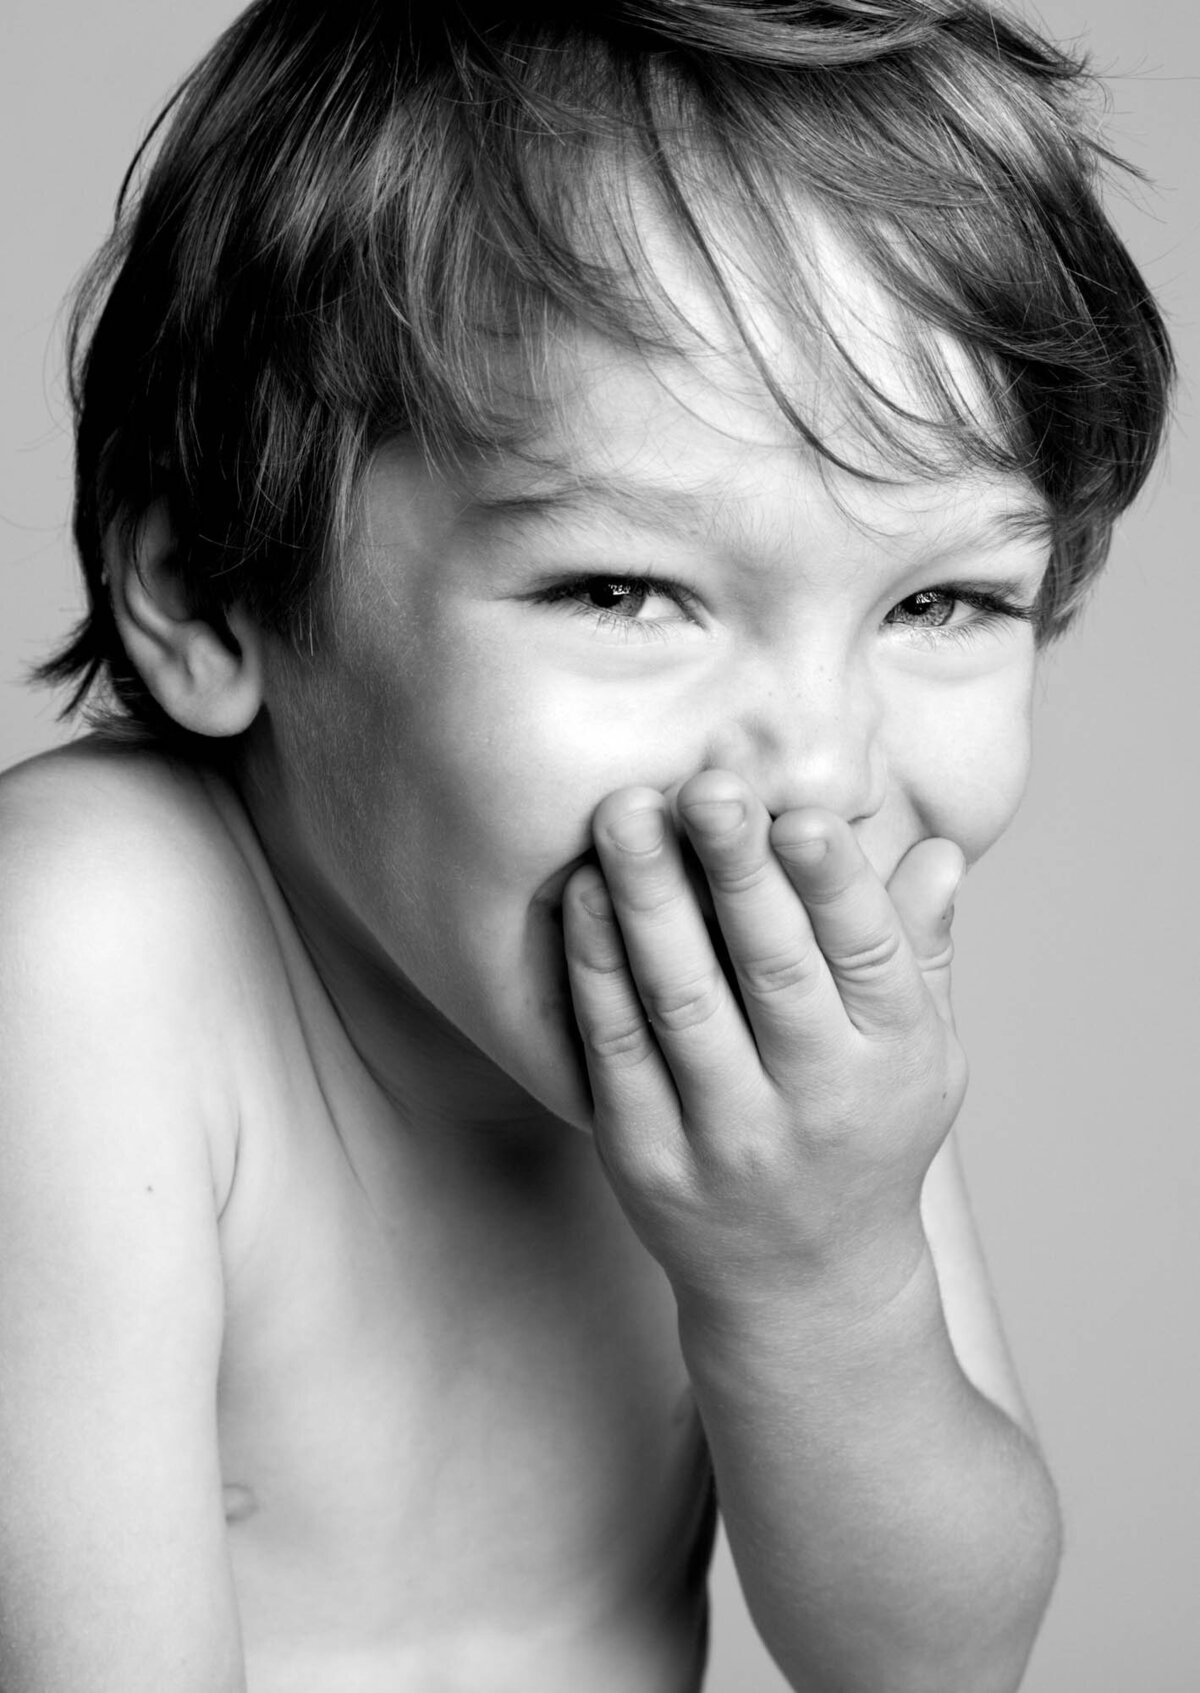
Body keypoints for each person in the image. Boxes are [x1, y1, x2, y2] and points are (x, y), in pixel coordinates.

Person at [0, 2, 1173, 1689]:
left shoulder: (786, 1091)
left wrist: (823, 1284)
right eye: (625, 589)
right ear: (211, 584)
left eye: (943, 599)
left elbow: (930, 1663)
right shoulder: (84, 946)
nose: (818, 775)